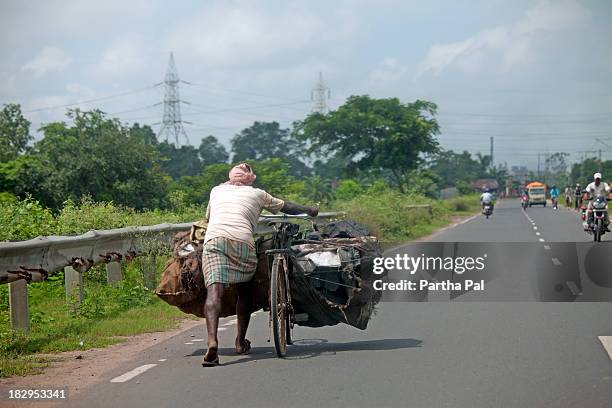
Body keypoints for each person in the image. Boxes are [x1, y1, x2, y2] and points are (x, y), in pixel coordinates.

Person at [201, 163, 318, 366]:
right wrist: (309, 210)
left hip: (214, 240)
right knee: (245, 290)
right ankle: (240, 341)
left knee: (214, 293)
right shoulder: (257, 194)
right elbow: (286, 207)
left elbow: (208, 218)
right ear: (249, 178)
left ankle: (212, 341)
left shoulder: (216, 190)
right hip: (242, 241)